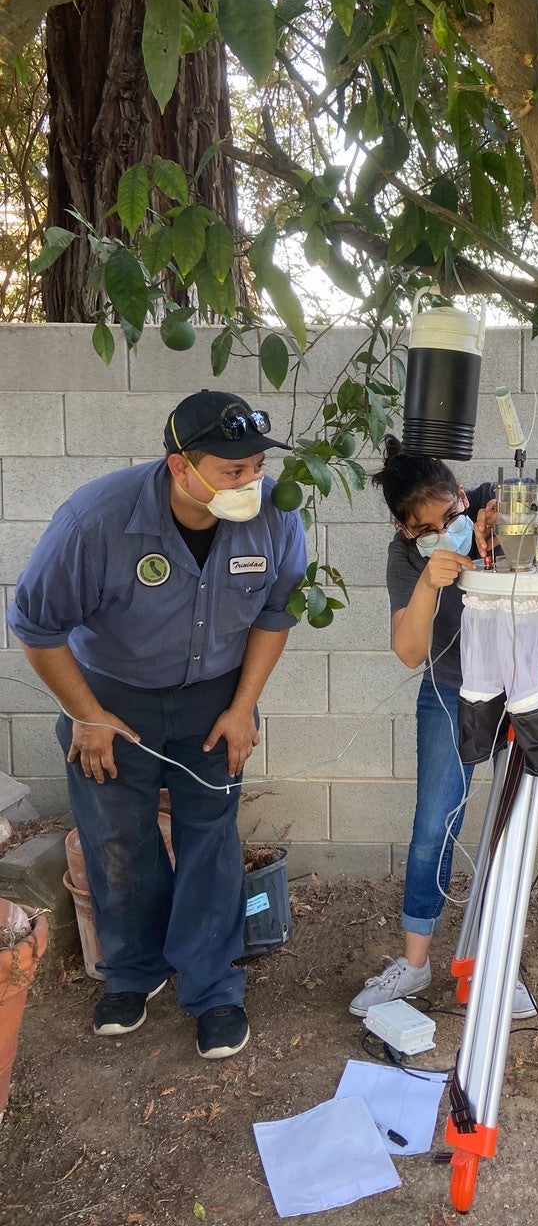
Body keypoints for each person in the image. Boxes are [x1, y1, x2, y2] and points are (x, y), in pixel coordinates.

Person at [7, 389, 307, 1060]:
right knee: (118, 836)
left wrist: (241, 707)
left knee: (211, 835)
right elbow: (35, 626)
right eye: (232, 470)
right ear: (180, 468)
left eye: (256, 465)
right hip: (111, 701)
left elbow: (276, 613)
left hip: (215, 701)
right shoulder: (96, 520)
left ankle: (211, 987)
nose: (250, 481)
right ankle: (133, 972)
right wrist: (86, 716)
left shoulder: (275, 515)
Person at [349, 435, 538, 1018]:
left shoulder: (496, 506)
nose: (446, 530)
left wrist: (535, 512)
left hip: (520, 688)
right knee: (433, 828)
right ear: (405, 528)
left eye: (450, 516)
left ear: (462, 496)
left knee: (508, 831)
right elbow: (409, 651)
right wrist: (428, 582)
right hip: (448, 689)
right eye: (426, 528)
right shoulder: (406, 557)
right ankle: (415, 964)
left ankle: (496, 965)